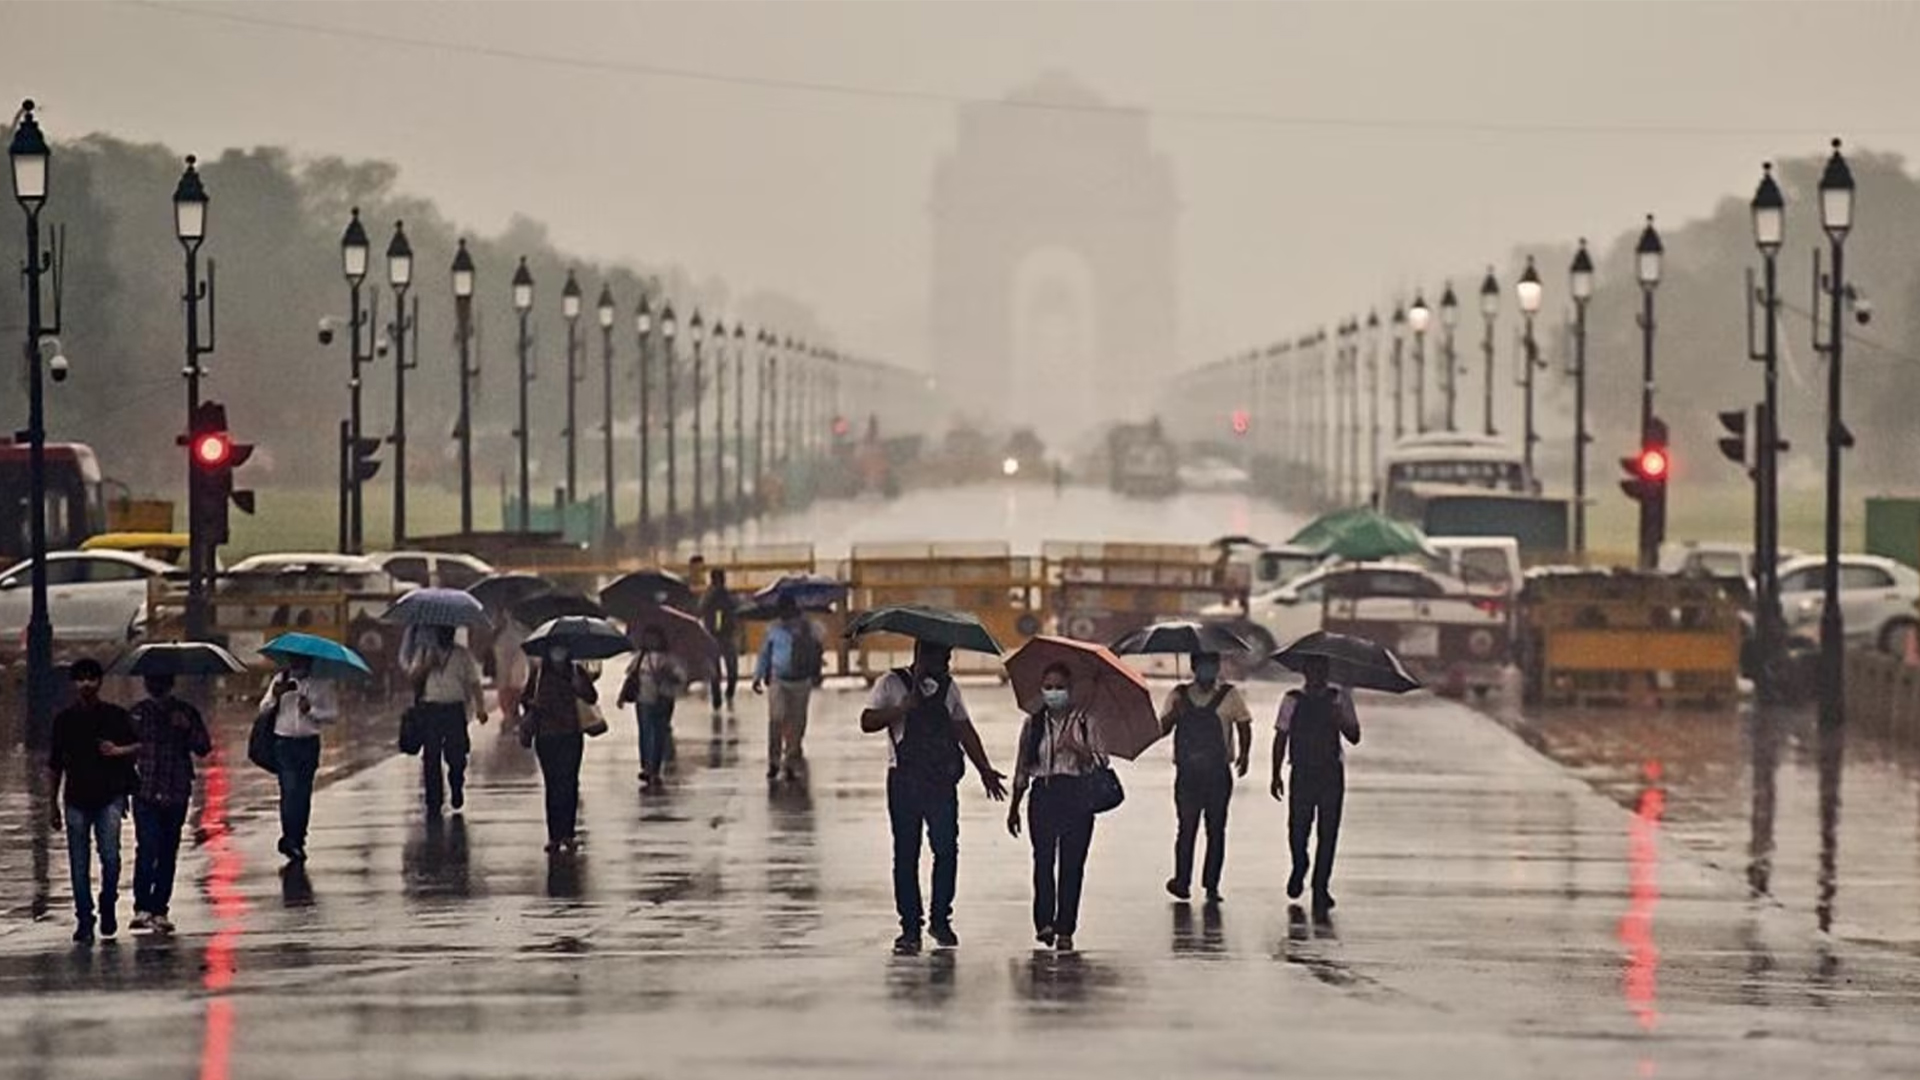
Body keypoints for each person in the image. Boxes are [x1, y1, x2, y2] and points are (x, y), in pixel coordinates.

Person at [860, 640, 1008, 954]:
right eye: (942, 657)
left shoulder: (949, 688)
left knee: (946, 849)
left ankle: (940, 919)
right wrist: (903, 707)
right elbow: (867, 722)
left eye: (948, 657)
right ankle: (910, 927)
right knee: (906, 853)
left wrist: (985, 769)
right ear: (922, 655)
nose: (947, 663)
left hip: (941, 781)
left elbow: (964, 729)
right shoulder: (891, 683)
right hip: (904, 780)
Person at [1007, 662, 1104, 952]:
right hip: (1044, 794)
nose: (1053, 692)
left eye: (1059, 687)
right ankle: (1044, 922)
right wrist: (1014, 806)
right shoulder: (1033, 723)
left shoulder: (1086, 721)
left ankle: (1065, 928)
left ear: (1070, 689)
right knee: (1043, 860)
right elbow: (1022, 766)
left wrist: (1080, 750)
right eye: (1048, 687)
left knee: (1072, 865)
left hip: (1077, 794)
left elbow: (1102, 760)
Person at [47, 658, 139, 944]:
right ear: (74, 683)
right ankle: (84, 918)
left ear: (99, 682)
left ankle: (107, 902)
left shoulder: (115, 716)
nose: (86, 684)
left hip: (109, 796)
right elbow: (55, 764)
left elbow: (138, 747)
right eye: (81, 679)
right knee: (78, 863)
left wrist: (117, 751)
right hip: (76, 797)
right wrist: (52, 803)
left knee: (110, 857)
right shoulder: (64, 721)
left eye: (91, 678)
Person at [1270, 655, 1361, 915]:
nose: (1316, 674)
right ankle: (1300, 864)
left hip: (1330, 772)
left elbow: (1354, 735)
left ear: (1327, 671)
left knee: (1328, 832)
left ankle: (1321, 887)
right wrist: (1275, 774)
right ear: (1305, 671)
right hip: (1301, 771)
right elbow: (1280, 736)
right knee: (1297, 828)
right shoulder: (1292, 699)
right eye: (1312, 669)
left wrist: (1340, 718)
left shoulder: (1339, 699)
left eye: (1321, 669)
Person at [1160, 651, 1253, 906]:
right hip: (1188, 775)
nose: (1208, 670)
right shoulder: (1178, 695)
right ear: (1193, 666)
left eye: (1212, 665)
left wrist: (1244, 755)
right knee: (1187, 828)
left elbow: (1244, 724)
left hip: (1218, 774)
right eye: (1203, 665)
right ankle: (1182, 881)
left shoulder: (1230, 695)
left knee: (1216, 830)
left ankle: (1211, 884)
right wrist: (1174, 714)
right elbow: (1162, 729)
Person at [129, 673, 212, 935]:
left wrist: (186, 728)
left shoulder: (186, 712)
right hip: (145, 791)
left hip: (176, 790)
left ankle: (160, 909)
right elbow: (125, 749)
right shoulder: (138, 714)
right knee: (147, 847)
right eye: (152, 681)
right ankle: (142, 907)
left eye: (161, 682)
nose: (156, 686)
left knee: (167, 851)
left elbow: (203, 747)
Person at [262, 655, 339, 863]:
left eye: (301, 662)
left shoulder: (322, 684)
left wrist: (311, 711)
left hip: (308, 743)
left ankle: (298, 838)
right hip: (284, 742)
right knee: (289, 790)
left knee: (303, 794)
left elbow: (332, 714)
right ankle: (289, 838)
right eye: (294, 662)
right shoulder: (280, 679)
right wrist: (275, 697)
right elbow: (263, 708)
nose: (297, 666)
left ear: (309, 663)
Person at [523, 645, 598, 853]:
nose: (558, 652)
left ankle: (568, 833)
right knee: (553, 784)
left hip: (571, 734)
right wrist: (533, 703)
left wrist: (579, 686)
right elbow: (525, 699)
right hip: (546, 735)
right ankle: (554, 835)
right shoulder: (538, 674)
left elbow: (592, 697)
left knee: (570, 782)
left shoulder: (576, 671)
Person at [407, 625, 488, 815]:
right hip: (431, 708)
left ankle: (456, 784)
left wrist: (480, 708)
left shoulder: (462, 655)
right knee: (431, 756)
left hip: (454, 709)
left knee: (457, 754)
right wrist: (427, 665)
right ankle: (433, 800)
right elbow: (413, 678)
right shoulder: (424, 652)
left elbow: (474, 683)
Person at [753, 595, 824, 781]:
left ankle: (788, 760)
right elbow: (765, 653)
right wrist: (759, 674)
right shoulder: (779, 629)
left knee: (790, 722)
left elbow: (765, 654)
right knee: (784, 720)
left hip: (796, 679)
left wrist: (758, 675)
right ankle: (777, 760)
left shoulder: (806, 628)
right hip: (783, 679)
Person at [619, 625, 687, 789]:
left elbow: (681, 677)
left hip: (664, 699)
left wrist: (668, 674)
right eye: (648, 638)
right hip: (644, 699)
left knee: (659, 733)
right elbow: (631, 676)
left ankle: (654, 768)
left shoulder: (670, 659)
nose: (651, 642)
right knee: (645, 733)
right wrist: (622, 696)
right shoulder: (640, 658)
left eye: (654, 638)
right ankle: (647, 767)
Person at [699, 568, 742, 711]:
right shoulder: (712, 595)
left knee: (725, 667)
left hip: (721, 634)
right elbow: (701, 609)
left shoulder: (722, 595)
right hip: (717, 635)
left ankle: (725, 693)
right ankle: (721, 695)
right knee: (720, 668)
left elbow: (736, 608)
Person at [491, 614, 530, 729]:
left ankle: (511, 716)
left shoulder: (512, 633)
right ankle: (511, 716)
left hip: (510, 673)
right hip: (510, 673)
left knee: (511, 692)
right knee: (511, 692)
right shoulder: (511, 633)